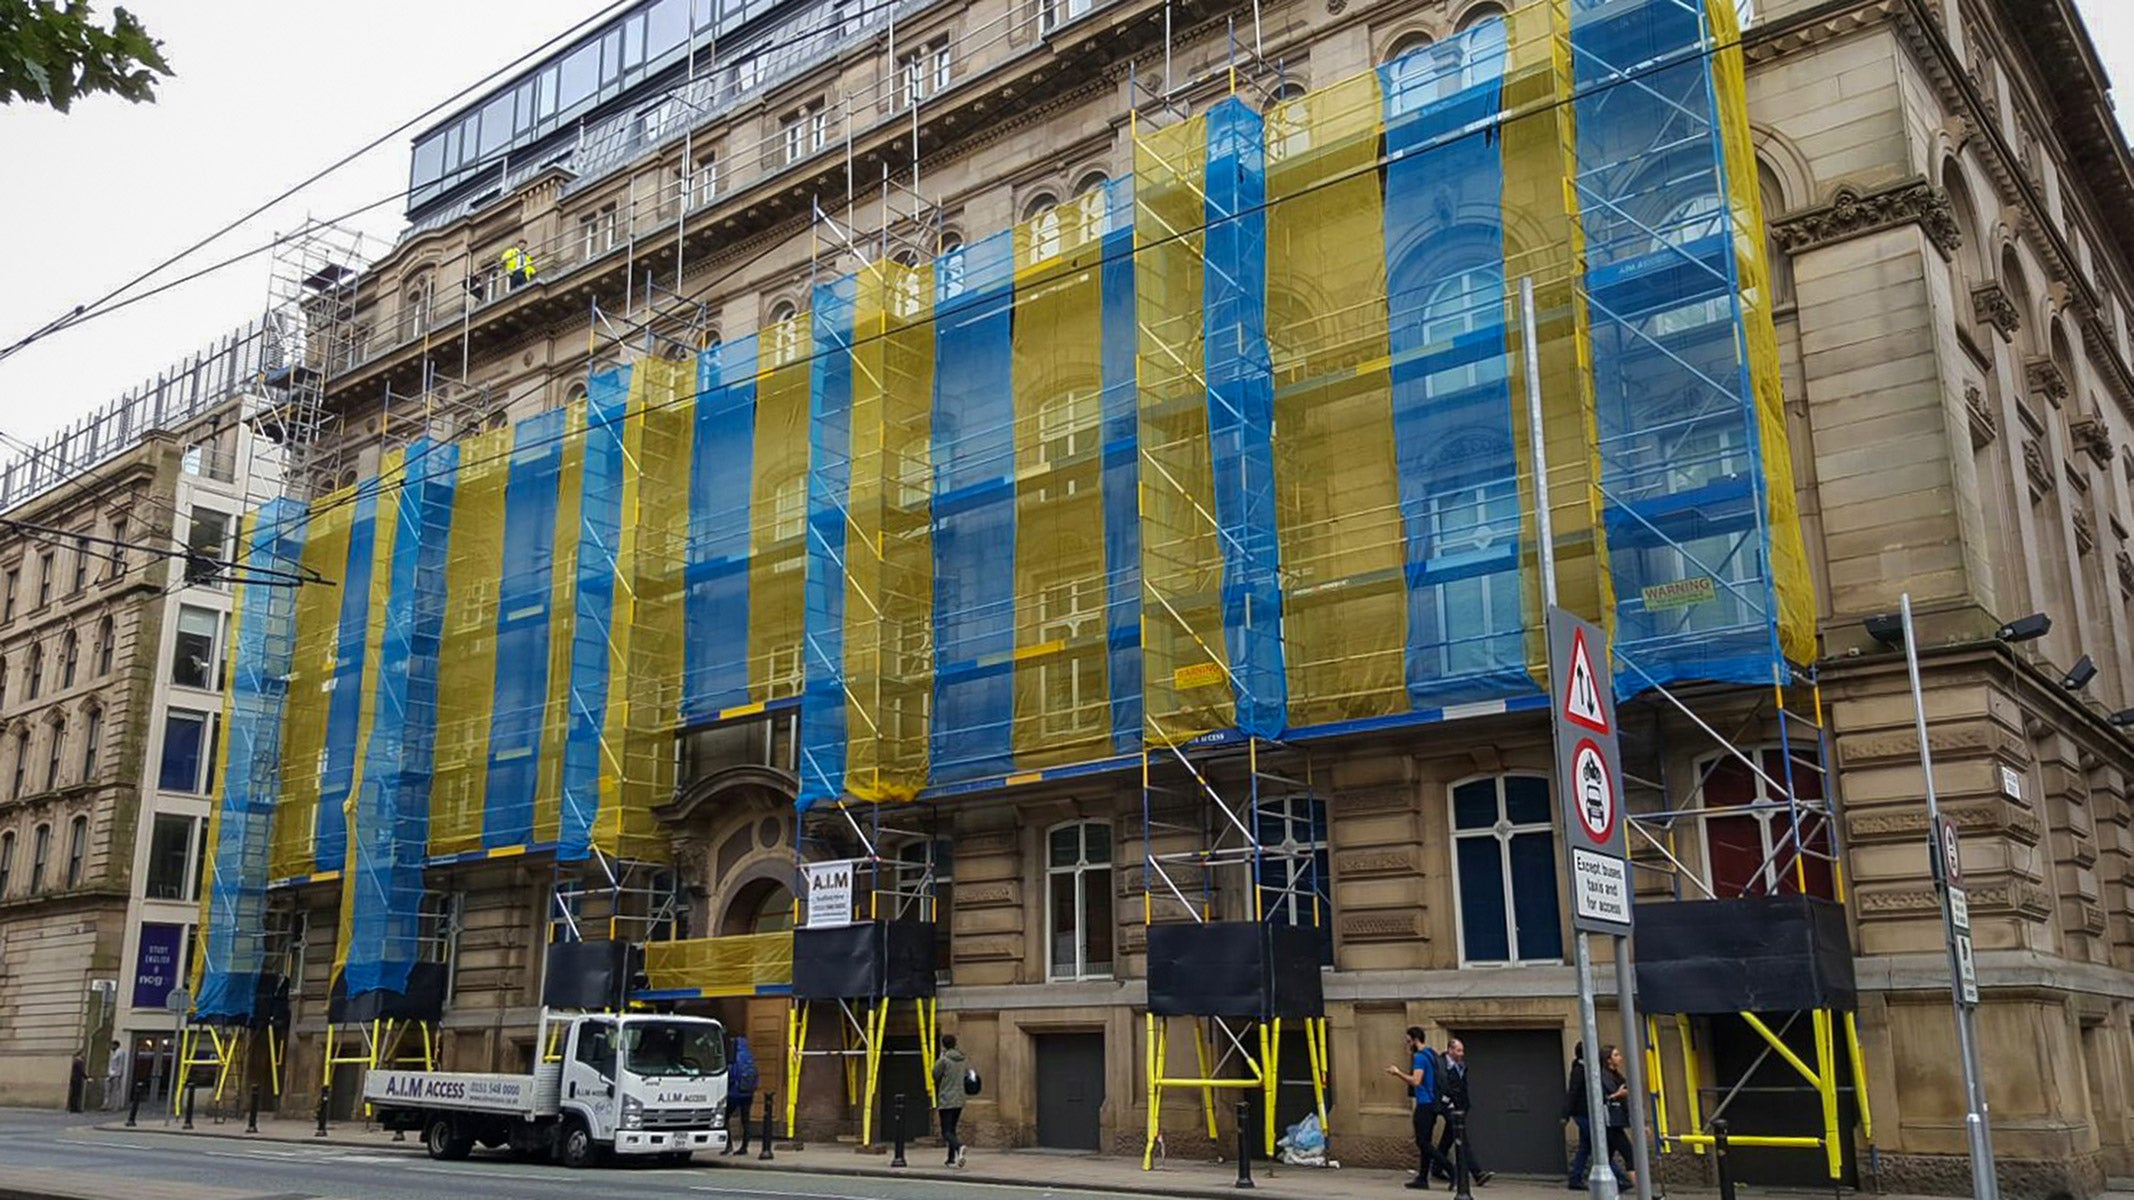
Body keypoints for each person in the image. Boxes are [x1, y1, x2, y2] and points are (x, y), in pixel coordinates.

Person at [1384, 1026, 1451, 1189]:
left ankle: (1450, 1168)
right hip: (1433, 1103)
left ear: (1415, 1040)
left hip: (1425, 1104)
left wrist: (1397, 1072)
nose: (1407, 1045)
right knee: (1425, 1142)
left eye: (1408, 1041)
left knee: (1423, 1143)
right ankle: (1422, 1178)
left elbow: (1416, 1081)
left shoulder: (1420, 1057)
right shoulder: (1431, 1053)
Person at [1433, 1038, 1492, 1186]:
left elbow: (1463, 1086)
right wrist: (1447, 1102)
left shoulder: (1461, 1066)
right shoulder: (1441, 1065)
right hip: (1449, 1106)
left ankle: (1436, 1167)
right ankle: (1477, 1173)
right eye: (1458, 1050)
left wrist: (1465, 1106)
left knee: (1448, 1138)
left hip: (1461, 1107)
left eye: (1462, 1050)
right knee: (1462, 1138)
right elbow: (1440, 1085)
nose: (1461, 1054)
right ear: (1450, 1050)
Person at [1598, 1045, 1637, 1192]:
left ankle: (1611, 1186)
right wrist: (1617, 1095)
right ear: (1608, 1060)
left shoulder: (1617, 1076)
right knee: (1629, 1154)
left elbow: (1626, 1103)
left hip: (1615, 1122)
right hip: (1609, 1123)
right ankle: (1642, 1191)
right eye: (1616, 1055)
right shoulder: (1602, 1077)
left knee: (1605, 1159)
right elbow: (1601, 1099)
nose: (1620, 1057)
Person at [932, 1033, 970, 1167]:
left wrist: (940, 1058)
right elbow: (966, 1076)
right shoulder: (962, 1059)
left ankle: (959, 1147)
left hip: (947, 1099)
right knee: (952, 1129)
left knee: (946, 1132)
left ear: (943, 1045)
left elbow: (935, 1074)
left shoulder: (944, 1060)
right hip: (959, 1099)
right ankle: (950, 1159)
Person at [1564, 1042, 1592, 1190]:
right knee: (1598, 1144)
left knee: (1585, 1147)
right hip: (1582, 1113)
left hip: (1585, 1113)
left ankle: (1575, 1177)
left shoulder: (1585, 1068)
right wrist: (1566, 1114)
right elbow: (1573, 1092)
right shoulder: (1579, 1070)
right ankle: (1620, 1178)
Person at [723, 1035, 758, 1155]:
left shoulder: (734, 1057)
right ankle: (744, 1147)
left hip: (735, 1093)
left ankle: (729, 1146)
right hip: (748, 1093)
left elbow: (731, 1075)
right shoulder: (749, 1056)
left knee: (724, 1118)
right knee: (746, 1120)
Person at [103, 1040, 124, 1111]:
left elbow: (120, 1065)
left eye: (112, 1045)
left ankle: (116, 1106)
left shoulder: (120, 1053)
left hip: (116, 1075)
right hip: (110, 1074)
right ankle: (108, 1105)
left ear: (116, 1045)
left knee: (116, 1090)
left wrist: (117, 1074)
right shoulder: (113, 1053)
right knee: (108, 1091)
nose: (111, 1047)